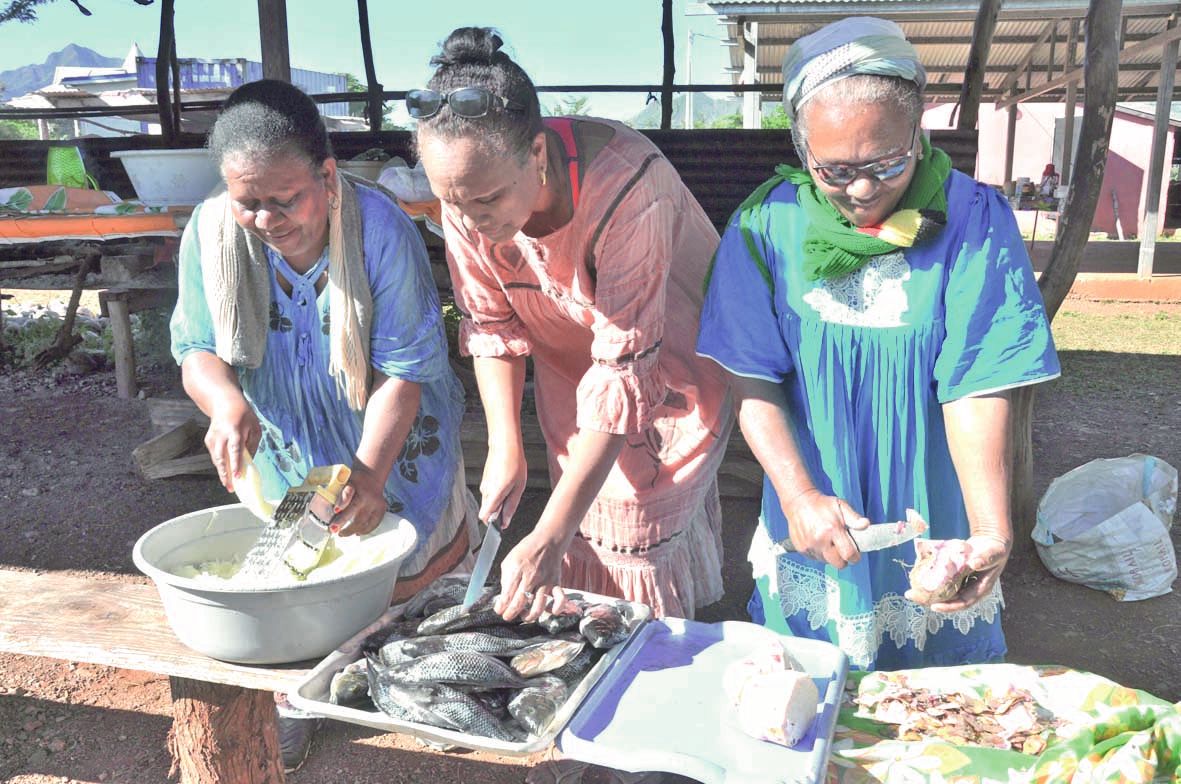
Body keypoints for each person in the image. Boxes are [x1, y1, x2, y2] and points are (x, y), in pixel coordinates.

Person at [696, 17, 1061, 672]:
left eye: (886, 163)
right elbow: (751, 377)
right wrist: (798, 496)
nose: (861, 190)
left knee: (936, 710)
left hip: (931, 502)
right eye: (833, 170)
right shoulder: (764, 225)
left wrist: (987, 530)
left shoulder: (972, 220)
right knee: (807, 702)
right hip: (812, 499)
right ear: (799, 146)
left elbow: (976, 385)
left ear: (918, 133)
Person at [169, 79, 478, 770]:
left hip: (396, 443)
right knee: (300, 569)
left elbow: (404, 369)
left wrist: (369, 472)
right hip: (289, 444)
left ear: (327, 175)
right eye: (247, 202)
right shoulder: (212, 231)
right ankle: (298, 697)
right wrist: (226, 404)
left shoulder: (380, 228)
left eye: (286, 199)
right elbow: (194, 348)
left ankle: (422, 683)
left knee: (412, 567)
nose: (267, 218)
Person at [410, 27, 733, 629]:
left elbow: (625, 372)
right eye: (451, 204)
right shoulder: (466, 195)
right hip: (576, 372)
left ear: (537, 154)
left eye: (488, 202)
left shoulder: (630, 186)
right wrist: (507, 444)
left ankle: (651, 672)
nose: (472, 223)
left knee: (636, 520)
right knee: (581, 523)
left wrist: (549, 533)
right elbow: (491, 323)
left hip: (666, 369)